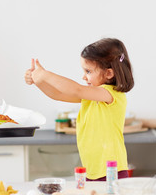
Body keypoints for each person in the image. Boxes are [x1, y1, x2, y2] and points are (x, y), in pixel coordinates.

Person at [24, 38, 134, 181]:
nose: (84, 76)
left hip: (111, 170)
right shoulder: (91, 95)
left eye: (88, 71)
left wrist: (46, 75)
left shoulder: (111, 94)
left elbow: (76, 90)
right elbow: (58, 94)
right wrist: (39, 81)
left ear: (108, 73)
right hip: (92, 169)